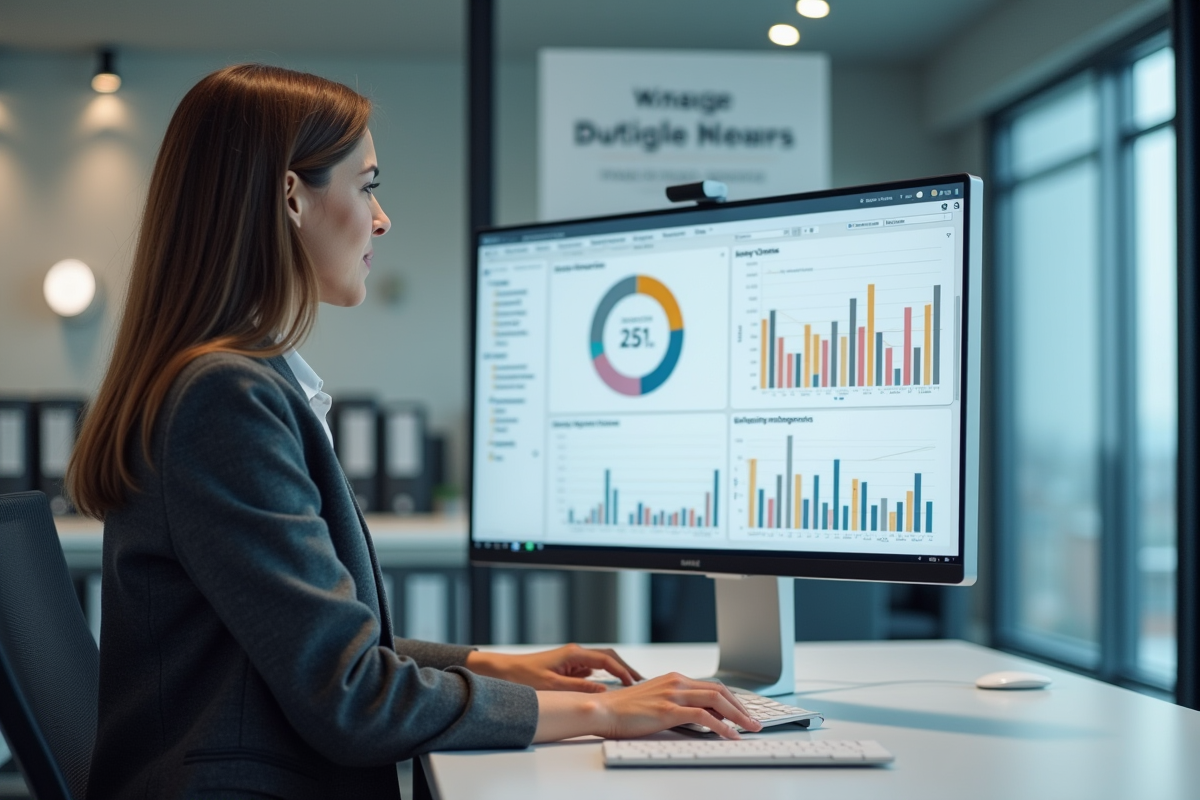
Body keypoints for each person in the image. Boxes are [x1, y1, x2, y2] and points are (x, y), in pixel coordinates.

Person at [66, 64, 758, 800]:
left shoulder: (227, 383)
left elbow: (321, 650)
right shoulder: (226, 397)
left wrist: (491, 664)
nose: (382, 217)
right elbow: (354, 700)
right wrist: (601, 712)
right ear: (291, 197)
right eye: (366, 186)